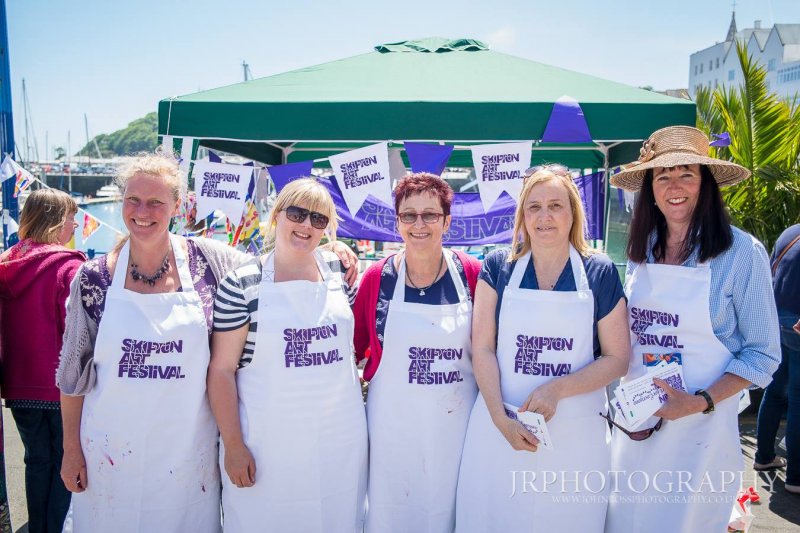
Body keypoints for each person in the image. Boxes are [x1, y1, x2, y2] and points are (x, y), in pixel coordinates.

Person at [56, 154, 358, 531]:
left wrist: (331, 249)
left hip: (188, 459)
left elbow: (277, 261)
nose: (142, 211)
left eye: (156, 203)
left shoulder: (208, 261)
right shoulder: (92, 279)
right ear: (122, 203)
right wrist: (71, 450)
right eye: (133, 200)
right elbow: (72, 377)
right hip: (109, 453)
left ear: (176, 206)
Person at [605, 126, 782, 532]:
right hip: (638, 425)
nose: (674, 186)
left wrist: (699, 400)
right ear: (649, 188)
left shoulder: (741, 253)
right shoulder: (640, 249)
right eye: (663, 176)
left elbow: (763, 354)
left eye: (687, 173)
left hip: (702, 429)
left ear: (706, 184)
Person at [456, 165, 630, 532]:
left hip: (576, 438)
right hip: (500, 428)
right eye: (534, 207)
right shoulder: (498, 267)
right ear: (522, 215)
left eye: (555, 205)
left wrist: (558, 389)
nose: (544, 216)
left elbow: (617, 358)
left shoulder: (598, 272)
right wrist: (499, 419)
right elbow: (482, 347)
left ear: (573, 213)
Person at [207, 178, 367, 532]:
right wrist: (233, 445)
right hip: (267, 452)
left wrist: (342, 249)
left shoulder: (340, 272)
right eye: (297, 213)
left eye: (319, 219)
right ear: (277, 215)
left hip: (339, 446)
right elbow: (221, 371)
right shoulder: (242, 284)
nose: (306, 225)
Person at [352, 173, 481, 533]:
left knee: (452, 512)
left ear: (447, 221)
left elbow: (489, 347)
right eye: (409, 215)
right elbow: (352, 347)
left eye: (430, 215)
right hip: (392, 432)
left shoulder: (471, 273)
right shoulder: (376, 278)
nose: (419, 224)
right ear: (397, 222)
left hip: (456, 429)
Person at [0, 189, 85, 532]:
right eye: (70, 217)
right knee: (67, 460)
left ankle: (38, 527)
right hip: (60, 385)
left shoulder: (7, 263)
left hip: (18, 384)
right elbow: (78, 331)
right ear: (55, 221)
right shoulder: (69, 267)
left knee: (36, 460)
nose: (75, 223)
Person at [754, 223, 800, 493]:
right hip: (796, 325)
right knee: (798, 400)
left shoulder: (789, 233)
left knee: (774, 392)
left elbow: (770, 276)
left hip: (776, 322)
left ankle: (764, 458)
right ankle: (796, 477)